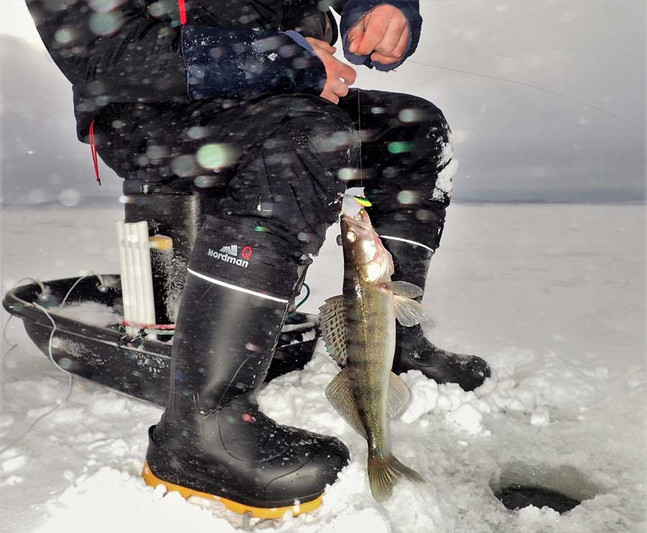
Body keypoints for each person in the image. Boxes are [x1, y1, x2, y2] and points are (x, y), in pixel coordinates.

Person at [27, 0, 490, 517]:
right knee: (304, 135)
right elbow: (99, 51)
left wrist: (383, 9)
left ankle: (387, 345)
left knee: (413, 129)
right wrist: (275, 58)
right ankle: (200, 430)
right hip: (148, 112)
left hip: (289, 91)